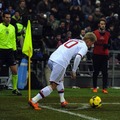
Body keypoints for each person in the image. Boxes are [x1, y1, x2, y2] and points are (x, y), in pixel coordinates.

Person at [28, 32, 97, 110]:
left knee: (60, 80)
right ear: (88, 40)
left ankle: (62, 100)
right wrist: (74, 71)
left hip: (52, 58)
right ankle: (34, 100)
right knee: (53, 85)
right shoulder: (84, 46)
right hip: (60, 62)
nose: (92, 45)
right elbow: (78, 57)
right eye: (92, 42)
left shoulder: (75, 40)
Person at [0, 11, 22, 96]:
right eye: (6, 17)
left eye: (9, 17)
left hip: (9, 51)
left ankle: (14, 89)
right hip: (1, 50)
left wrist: (15, 50)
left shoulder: (12, 27)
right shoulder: (0, 27)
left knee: (14, 71)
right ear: (3, 18)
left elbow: (13, 39)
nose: (8, 19)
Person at [92, 18, 111, 94]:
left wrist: (107, 46)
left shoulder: (108, 34)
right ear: (99, 25)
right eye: (101, 24)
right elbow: (91, 42)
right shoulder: (95, 33)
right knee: (95, 72)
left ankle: (104, 88)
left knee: (105, 72)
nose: (103, 25)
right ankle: (94, 87)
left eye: (104, 24)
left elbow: (110, 44)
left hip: (104, 55)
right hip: (96, 54)